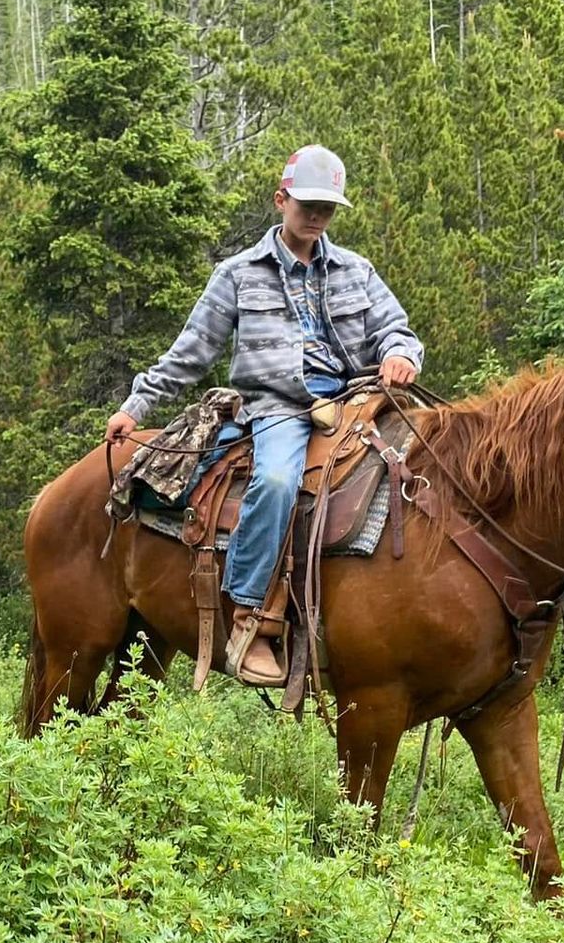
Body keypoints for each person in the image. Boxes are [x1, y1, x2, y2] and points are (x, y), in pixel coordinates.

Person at [105, 145, 424, 686]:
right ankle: (251, 617)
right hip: (281, 405)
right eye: (307, 204)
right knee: (276, 481)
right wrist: (136, 407)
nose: (318, 216)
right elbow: (192, 351)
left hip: (357, 401)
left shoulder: (356, 271)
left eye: (327, 207)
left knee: (426, 468)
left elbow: (397, 328)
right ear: (281, 199)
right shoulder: (238, 274)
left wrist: (399, 354)